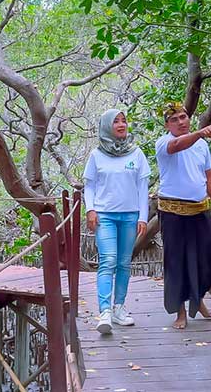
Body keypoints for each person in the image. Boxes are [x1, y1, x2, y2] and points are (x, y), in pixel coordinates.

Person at [155, 101, 211, 329]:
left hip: (199, 209)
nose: (180, 122)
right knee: (176, 261)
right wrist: (200, 133)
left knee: (209, 254)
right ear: (167, 125)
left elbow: (209, 177)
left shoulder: (201, 146)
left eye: (183, 117)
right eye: (174, 120)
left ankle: (198, 298)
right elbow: (177, 146)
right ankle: (180, 311)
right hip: (173, 212)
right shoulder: (164, 143)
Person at [83, 109, 150, 334]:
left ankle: (119, 307)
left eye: (124, 121)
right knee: (108, 260)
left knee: (123, 262)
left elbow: (143, 187)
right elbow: (89, 185)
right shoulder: (96, 155)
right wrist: (90, 209)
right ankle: (105, 313)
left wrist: (143, 217)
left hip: (130, 215)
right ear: (106, 126)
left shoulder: (136, 153)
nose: (121, 125)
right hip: (105, 215)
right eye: (116, 122)